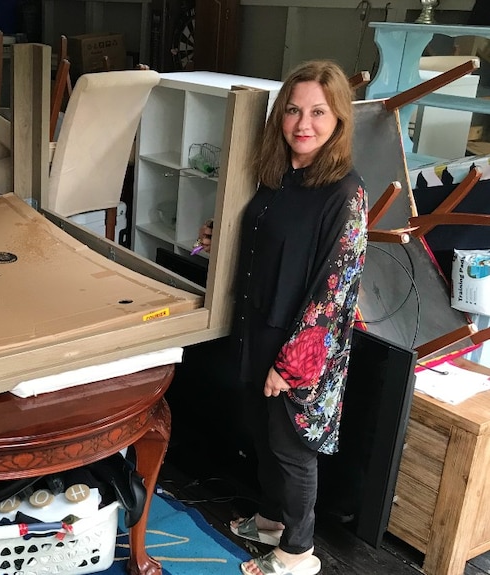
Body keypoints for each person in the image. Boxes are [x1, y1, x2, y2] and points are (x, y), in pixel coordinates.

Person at [196, 60, 368, 575]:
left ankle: (298, 552)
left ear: (338, 118)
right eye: (293, 110)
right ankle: (271, 521)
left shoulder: (345, 193)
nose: (303, 124)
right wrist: (217, 236)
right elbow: (265, 238)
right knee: (262, 433)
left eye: (318, 112)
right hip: (258, 329)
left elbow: (331, 294)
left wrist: (290, 366)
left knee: (293, 449)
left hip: (301, 350)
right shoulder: (279, 174)